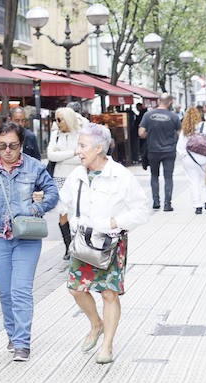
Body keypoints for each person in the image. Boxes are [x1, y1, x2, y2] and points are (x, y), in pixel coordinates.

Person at [0, 121, 59, 362]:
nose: (7, 151)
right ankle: (13, 334)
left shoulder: (34, 167)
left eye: (13, 146)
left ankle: (22, 343)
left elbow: (52, 193)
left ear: (22, 145)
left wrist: (37, 208)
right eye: (2, 146)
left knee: (21, 291)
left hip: (26, 238)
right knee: (6, 292)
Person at [60, 123, 150, 363]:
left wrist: (115, 221)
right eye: (78, 146)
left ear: (99, 148)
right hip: (82, 242)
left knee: (109, 293)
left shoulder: (120, 175)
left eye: (83, 146)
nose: (78, 151)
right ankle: (95, 324)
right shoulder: (77, 175)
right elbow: (62, 201)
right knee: (75, 289)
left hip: (110, 244)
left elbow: (141, 209)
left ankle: (107, 346)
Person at [47, 107, 85, 258]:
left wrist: (61, 155)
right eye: (56, 119)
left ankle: (78, 245)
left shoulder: (80, 135)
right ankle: (68, 247)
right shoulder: (55, 135)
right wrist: (72, 153)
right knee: (62, 213)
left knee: (79, 212)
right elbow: (51, 156)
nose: (57, 123)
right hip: (59, 178)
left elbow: (81, 158)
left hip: (76, 178)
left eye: (59, 120)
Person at [139, 93, 181, 211]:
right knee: (168, 177)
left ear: (159, 101)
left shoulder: (148, 115)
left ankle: (156, 201)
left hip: (153, 150)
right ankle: (167, 204)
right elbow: (179, 133)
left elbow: (141, 133)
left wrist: (150, 135)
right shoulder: (173, 116)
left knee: (154, 176)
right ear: (170, 102)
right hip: (169, 150)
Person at [176, 106, 206, 214]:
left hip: (189, 159)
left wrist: (184, 156)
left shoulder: (186, 128)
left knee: (193, 182)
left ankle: (198, 206)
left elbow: (180, 146)